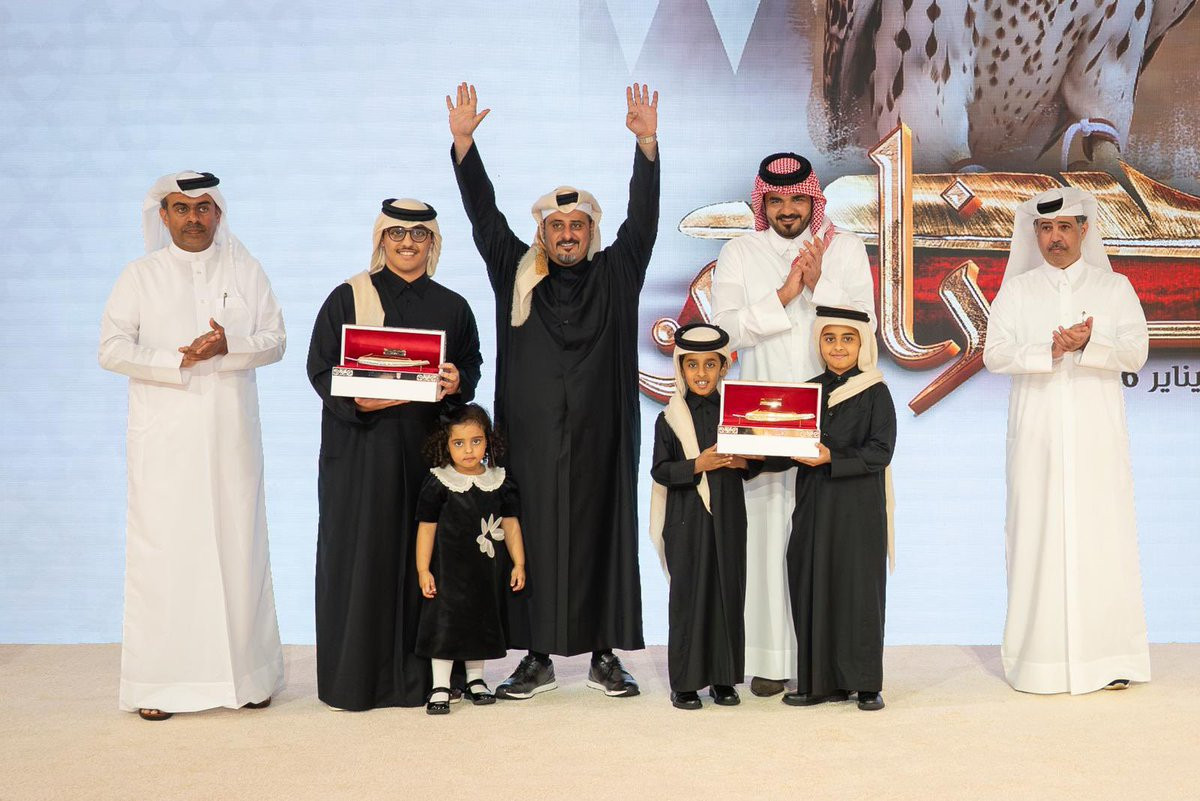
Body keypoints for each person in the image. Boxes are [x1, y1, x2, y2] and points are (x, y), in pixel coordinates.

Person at [447, 82, 660, 699]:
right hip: (530, 441)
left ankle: (603, 654)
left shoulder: (618, 272)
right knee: (528, 536)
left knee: (601, 536)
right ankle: (536, 656)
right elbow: (483, 216)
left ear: (592, 231)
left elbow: (643, 220)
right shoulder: (514, 270)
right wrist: (464, 146)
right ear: (542, 232)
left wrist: (647, 145)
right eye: (557, 225)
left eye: (577, 225)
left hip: (603, 437)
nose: (567, 234)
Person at [99, 171, 286, 721]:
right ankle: (158, 686)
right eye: (181, 208)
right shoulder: (140, 276)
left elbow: (275, 340)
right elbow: (111, 349)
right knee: (166, 553)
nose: (193, 218)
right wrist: (174, 359)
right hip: (165, 442)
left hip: (231, 438)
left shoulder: (245, 270)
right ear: (163, 216)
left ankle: (248, 678)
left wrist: (230, 346)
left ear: (218, 214)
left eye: (203, 208)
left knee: (238, 549)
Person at [307, 198, 482, 710]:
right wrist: (354, 400)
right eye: (397, 234)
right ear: (381, 239)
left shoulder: (453, 306)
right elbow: (320, 367)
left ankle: (432, 679)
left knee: (427, 560)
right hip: (360, 454)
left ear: (433, 242)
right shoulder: (348, 296)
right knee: (361, 558)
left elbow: (470, 367)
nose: (408, 244)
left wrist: (457, 380)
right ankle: (356, 681)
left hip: (426, 455)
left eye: (419, 235)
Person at [710, 153, 875, 696]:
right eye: (776, 201)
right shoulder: (739, 252)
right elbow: (723, 333)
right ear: (763, 202)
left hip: (833, 415)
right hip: (761, 414)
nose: (787, 210)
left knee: (826, 542)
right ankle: (770, 659)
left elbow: (866, 325)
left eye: (798, 200)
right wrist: (783, 294)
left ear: (813, 200)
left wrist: (820, 286)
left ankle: (824, 662)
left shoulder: (846, 249)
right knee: (764, 539)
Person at [983, 186, 1151, 695]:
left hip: (1097, 440)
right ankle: (1039, 662)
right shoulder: (1018, 291)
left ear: (1083, 230)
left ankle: (1111, 659)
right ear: (1035, 234)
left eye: (1064, 228)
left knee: (1104, 539)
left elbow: (1136, 351)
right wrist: (1049, 350)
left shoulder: (1114, 287)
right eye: (1045, 229)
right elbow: (994, 355)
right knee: (1036, 539)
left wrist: (1091, 342)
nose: (1055, 238)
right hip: (1036, 440)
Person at [779, 306, 896, 712]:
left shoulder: (876, 390)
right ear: (819, 343)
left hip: (859, 509)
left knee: (859, 593)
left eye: (848, 338)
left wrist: (832, 457)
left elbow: (880, 451)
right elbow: (784, 445)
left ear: (862, 344)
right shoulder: (807, 392)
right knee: (812, 584)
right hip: (815, 506)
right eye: (829, 338)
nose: (838, 347)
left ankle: (865, 684)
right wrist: (748, 447)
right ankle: (819, 683)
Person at [648, 324, 764, 710]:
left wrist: (744, 460)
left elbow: (755, 461)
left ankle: (723, 680)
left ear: (724, 367)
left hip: (729, 516)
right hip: (685, 518)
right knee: (689, 598)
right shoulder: (669, 418)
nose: (701, 373)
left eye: (710, 365)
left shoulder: (737, 411)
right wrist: (699, 464)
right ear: (681, 368)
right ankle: (684, 683)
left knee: (727, 593)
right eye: (693, 365)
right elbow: (660, 470)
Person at [415, 404, 527, 715]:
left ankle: (475, 679)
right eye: (459, 443)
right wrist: (423, 569)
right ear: (446, 444)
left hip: (485, 572)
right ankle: (440, 684)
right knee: (444, 624)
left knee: (481, 622)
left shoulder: (499, 481)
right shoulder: (439, 482)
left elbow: (511, 525)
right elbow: (426, 528)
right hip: (447, 574)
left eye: (476, 441)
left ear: (488, 441)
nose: (468, 450)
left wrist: (519, 563)